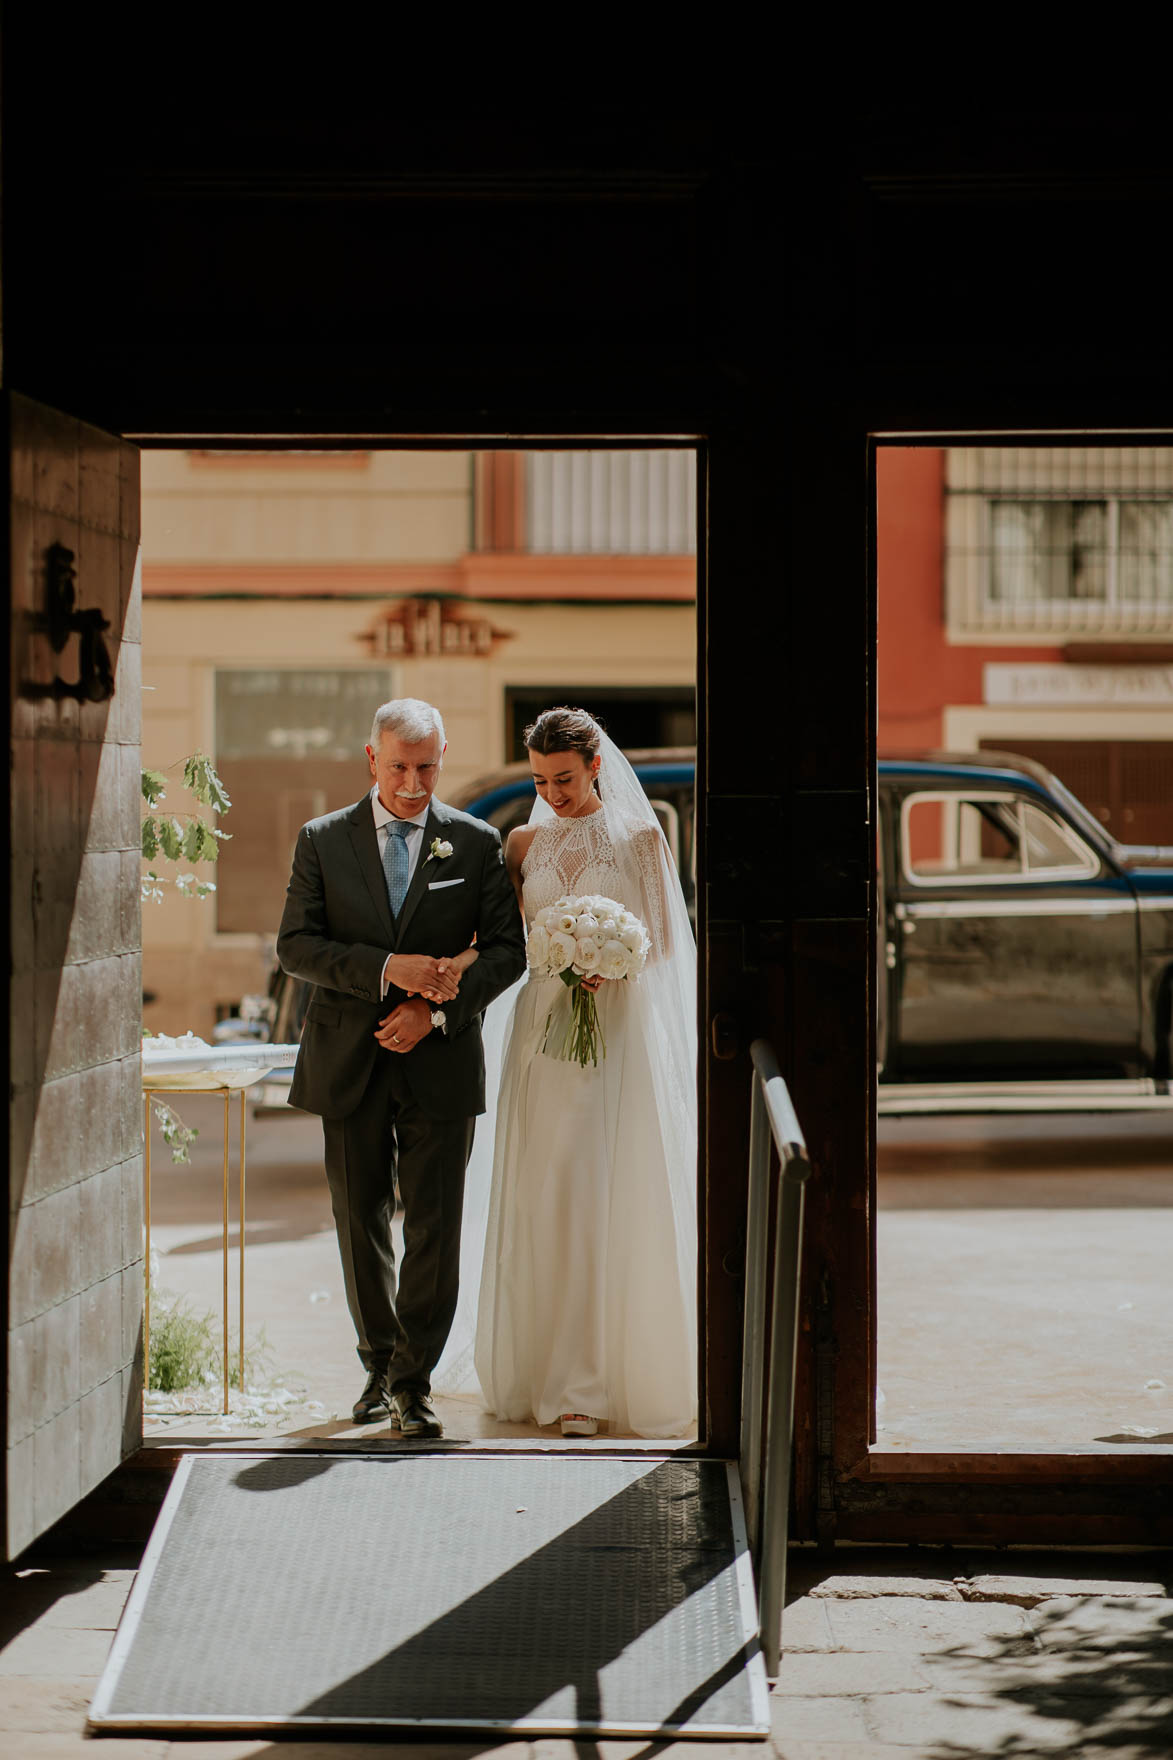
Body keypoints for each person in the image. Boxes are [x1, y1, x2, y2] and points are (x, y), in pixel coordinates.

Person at [276, 698, 526, 1439]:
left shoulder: (475, 843)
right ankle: (378, 1367)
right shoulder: (321, 840)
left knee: (434, 1227)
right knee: (358, 1224)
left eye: (427, 767)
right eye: (399, 767)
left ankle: (412, 1385)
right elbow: (295, 946)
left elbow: (508, 950)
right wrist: (390, 970)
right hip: (346, 1059)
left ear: (442, 757)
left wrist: (435, 1012)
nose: (414, 783)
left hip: (440, 1061)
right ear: (370, 759)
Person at [472, 707, 698, 1438]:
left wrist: (610, 962)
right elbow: (507, 939)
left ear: (595, 765)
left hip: (615, 1034)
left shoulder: (638, 838)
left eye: (563, 779)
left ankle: (590, 1385)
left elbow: (664, 944)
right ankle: (540, 1368)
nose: (552, 793)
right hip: (540, 1037)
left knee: (601, 1194)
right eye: (540, 780)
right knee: (546, 1194)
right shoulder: (521, 842)